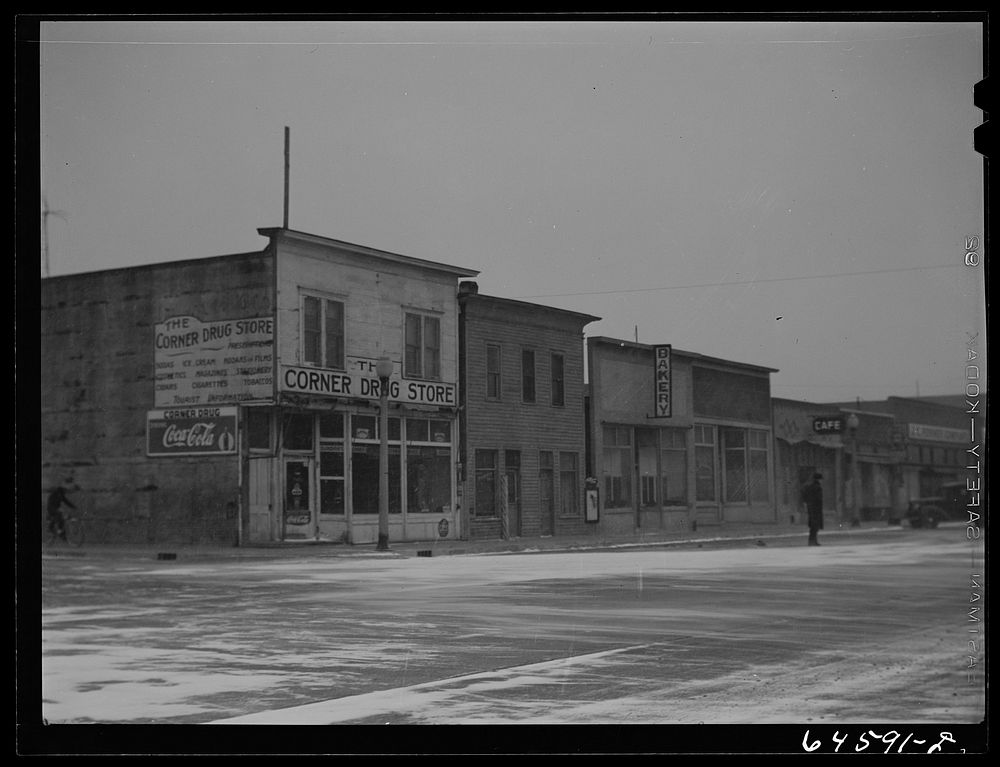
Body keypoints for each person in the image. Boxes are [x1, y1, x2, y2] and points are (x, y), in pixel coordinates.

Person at [802, 472, 824, 546]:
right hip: (816, 508)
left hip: (811, 508)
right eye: (821, 479)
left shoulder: (809, 486)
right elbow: (819, 499)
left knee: (813, 525)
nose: (822, 481)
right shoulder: (817, 487)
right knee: (815, 526)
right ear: (819, 479)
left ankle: (812, 541)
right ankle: (812, 541)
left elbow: (805, 496)